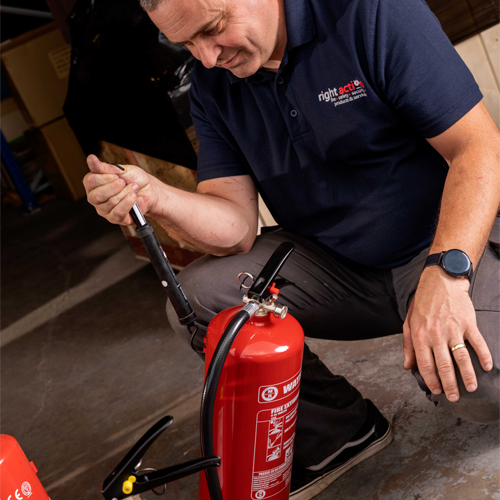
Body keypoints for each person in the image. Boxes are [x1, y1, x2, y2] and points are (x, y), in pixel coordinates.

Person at [84, 0, 500, 498]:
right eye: (187, 43)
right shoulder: (215, 84)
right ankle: (338, 434)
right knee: (199, 305)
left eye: (213, 30)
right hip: (337, 265)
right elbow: (235, 226)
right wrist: (155, 197)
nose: (208, 57)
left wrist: (446, 274)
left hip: (435, 245)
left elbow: (479, 147)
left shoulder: (370, 14)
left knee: (479, 386)